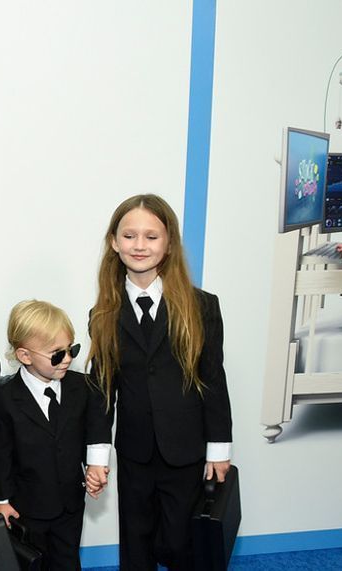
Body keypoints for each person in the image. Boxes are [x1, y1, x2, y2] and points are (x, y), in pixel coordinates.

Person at [87, 194, 233, 571]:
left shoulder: (201, 307)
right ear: (114, 243)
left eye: (151, 236)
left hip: (186, 450)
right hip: (135, 451)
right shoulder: (103, 314)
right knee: (135, 542)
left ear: (168, 244)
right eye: (130, 235)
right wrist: (98, 457)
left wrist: (218, 447)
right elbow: (102, 388)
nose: (140, 245)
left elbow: (213, 378)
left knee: (181, 542)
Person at [0, 300, 112, 571]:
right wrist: (0, 501)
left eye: (71, 350)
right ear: (25, 356)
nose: (67, 359)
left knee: (67, 563)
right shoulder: (5, 398)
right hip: (25, 508)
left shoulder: (82, 387)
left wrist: (96, 464)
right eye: (57, 354)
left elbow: (96, 426)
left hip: (70, 504)